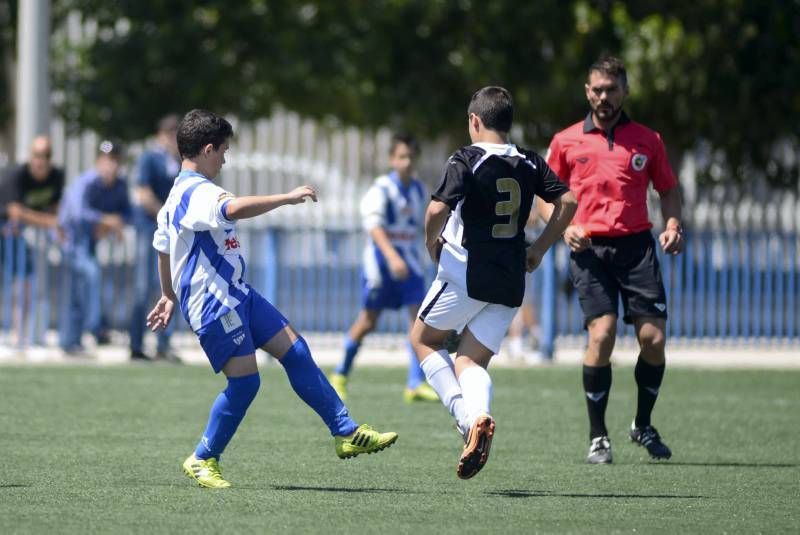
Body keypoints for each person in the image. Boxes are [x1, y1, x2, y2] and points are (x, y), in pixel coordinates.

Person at [146, 109, 398, 489]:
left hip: (239, 294)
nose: (225, 159)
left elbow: (162, 247)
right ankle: (202, 458)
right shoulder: (198, 191)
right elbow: (233, 208)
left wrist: (168, 294)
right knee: (245, 385)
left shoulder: (175, 195)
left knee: (296, 351)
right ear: (208, 149)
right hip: (216, 305)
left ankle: (345, 432)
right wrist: (287, 197)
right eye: (223, 151)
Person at [409, 87, 577, 479]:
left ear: (474, 120)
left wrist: (430, 241)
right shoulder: (529, 162)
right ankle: (480, 416)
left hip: (468, 272)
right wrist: (540, 247)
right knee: (469, 360)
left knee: (423, 340)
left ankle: (466, 420)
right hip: (510, 278)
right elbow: (567, 202)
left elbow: (436, 208)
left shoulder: (467, 157)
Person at [539, 56, 684, 464]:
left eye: (612, 89)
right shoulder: (566, 141)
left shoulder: (647, 139)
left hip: (637, 247)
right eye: (597, 90)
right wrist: (564, 227)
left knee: (653, 341)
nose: (604, 97)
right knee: (601, 336)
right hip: (589, 251)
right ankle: (598, 435)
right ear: (587, 92)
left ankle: (642, 423)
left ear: (625, 91)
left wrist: (673, 224)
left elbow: (668, 189)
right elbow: (542, 195)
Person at [328, 134, 438, 403]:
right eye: (401, 157)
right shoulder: (381, 189)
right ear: (392, 159)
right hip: (380, 264)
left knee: (418, 323)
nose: (407, 162)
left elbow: (420, 227)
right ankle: (340, 374)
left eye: (411, 157)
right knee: (368, 321)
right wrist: (391, 257)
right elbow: (374, 226)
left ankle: (415, 383)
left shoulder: (418, 190)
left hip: (410, 263)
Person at [58, 140, 131, 354]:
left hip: (89, 241)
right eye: (108, 160)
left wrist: (110, 224)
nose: (112, 165)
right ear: (99, 161)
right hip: (70, 239)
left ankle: (72, 342)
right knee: (88, 279)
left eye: (115, 161)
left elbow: (127, 213)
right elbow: (77, 214)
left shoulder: (120, 184)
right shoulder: (86, 182)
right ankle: (95, 329)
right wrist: (107, 221)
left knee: (81, 289)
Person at [0, 136, 64, 346]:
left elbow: (56, 209)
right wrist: (49, 222)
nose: (41, 160)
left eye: (46, 156)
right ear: (30, 156)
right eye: (37, 155)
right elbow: (15, 212)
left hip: (21, 237)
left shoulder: (56, 176)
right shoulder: (16, 174)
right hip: (6, 231)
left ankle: (19, 333)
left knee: (25, 283)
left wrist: (54, 225)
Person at [129, 114, 182, 362]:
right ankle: (136, 344)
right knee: (142, 287)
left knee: (169, 287)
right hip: (149, 228)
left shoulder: (179, 160)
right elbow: (143, 193)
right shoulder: (150, 157)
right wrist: (166, 216)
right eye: (170, 133)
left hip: (171, 231)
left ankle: (163, 343)